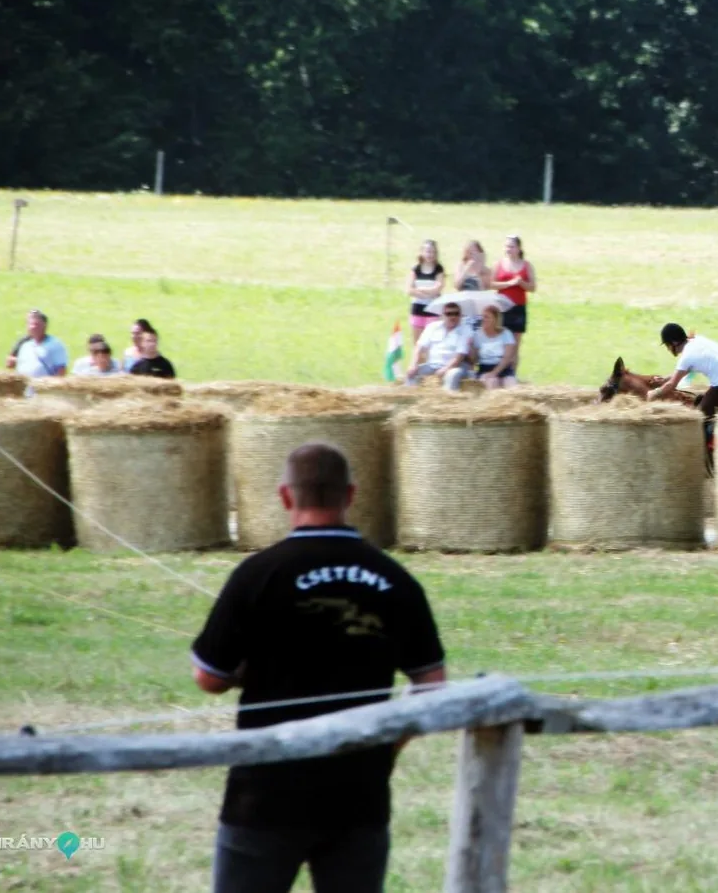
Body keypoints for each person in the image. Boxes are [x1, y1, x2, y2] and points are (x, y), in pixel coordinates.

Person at [191, 443, 445, 893]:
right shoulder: (395, 578)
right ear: (351, 495)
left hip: (264, 795)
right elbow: (431, 685)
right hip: (359, 794)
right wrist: (387, 749)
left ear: (286, 497)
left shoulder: (257, 573)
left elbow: (209, 677)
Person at [648, 323, 718, 419]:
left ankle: (710, 432)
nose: (668, 349)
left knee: (700, 416)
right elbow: (684, 372)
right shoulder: (696, 340)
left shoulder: (687, 356)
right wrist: (664, 379)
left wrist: (655, 393)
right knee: (699, 401)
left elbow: (672, 384)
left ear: (673, 342)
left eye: (667, 345)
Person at [404, 302, 472, 391]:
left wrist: (446, 369)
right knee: (411, 373)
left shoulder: (465, 330)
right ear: (443, 315)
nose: (453, 317)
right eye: (449, 314)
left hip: (455, 366)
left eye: (456, 314)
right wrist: (413, 364)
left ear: (460, 315)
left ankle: (448, 399)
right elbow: (419, 347)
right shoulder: (432, 327)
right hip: (432, 365)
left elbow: (459, 356)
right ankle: (411, 398)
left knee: (452, 375)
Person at [490, 234, 535, 351]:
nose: (508, 249)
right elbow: (490, 284)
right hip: (502, 308)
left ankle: (512, 369)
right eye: (506, 246)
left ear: (519, 248)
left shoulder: (526, 265)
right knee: (501, 343)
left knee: (515, 345)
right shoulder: (498, 264)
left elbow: (533, 287)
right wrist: (508, 284)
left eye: (512, 247)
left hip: (518, 308)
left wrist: (522, 283)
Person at [5, 309, 68, 378]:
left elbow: (61, 370)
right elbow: (10, 364)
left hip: (44, 387)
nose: (33, 327)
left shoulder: (55, 345)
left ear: (44, 325)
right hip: (25, 387)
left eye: (36, 324)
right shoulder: (25, 345)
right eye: (30, 324)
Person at [405, 240, 445, 347]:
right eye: (427, 251)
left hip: (433, 310)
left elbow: (438, 288)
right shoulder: (416, 269)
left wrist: (421, 290)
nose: (430, 255)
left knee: (431, 343)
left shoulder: (438, 269)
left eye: (432, 252)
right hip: (417, 309)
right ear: (422, 252)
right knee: (418, 344)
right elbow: (409, 289)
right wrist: (427, 293)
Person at [471, 305, 517, 389]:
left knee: (511, 385)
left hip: (503, 368)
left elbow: (507, 358)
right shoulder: (477, 334)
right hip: (485, 368)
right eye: (482, 317)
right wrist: (470, 346)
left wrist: (494, 373)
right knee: (492, 382)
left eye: (487, 317)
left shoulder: (506, 334)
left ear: (495, 320)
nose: (483, 319)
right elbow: (474, 359)